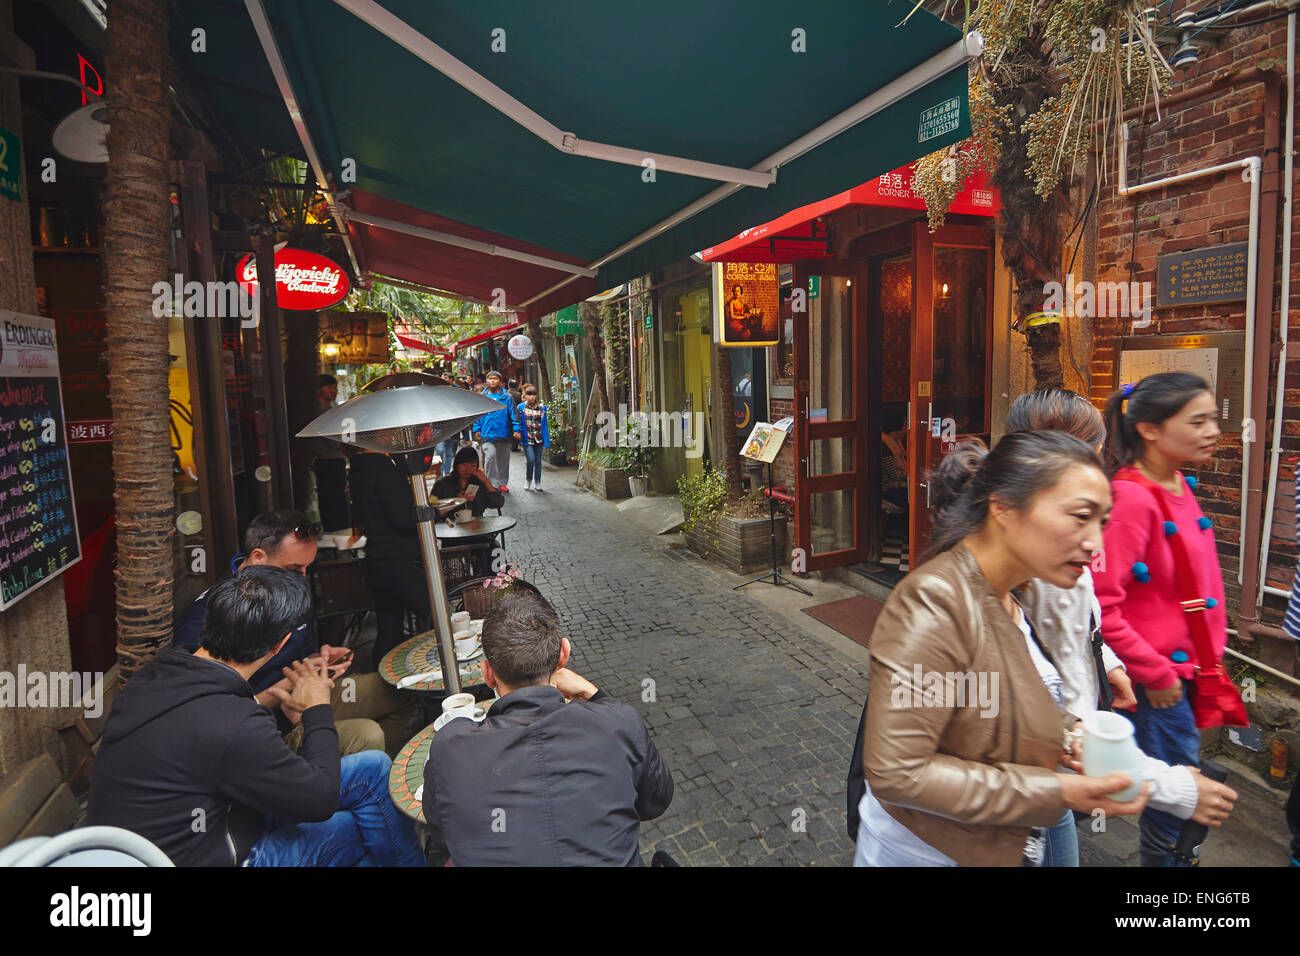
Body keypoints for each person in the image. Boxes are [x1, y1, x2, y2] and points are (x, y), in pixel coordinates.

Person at [856, 431, 1151, 866]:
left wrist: (1068, 733)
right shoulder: (934, 603)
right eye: (1079, 516)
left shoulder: (1010, 592)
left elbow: (997, 697)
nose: (1095, 543)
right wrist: (1058, 790)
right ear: (1004, 508)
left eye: (1101, 522)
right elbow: (899, 771)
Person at [1007, 389, 1237, 866]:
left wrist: (1107, 661)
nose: (1211, 432)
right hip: (1040, 756)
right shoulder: (1022, 550)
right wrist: (1167, 783)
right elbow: (1029, 684)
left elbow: (1085, 614)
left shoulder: (1079, 517)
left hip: (1068, 735)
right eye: (1196, 422)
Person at [91, 566, 425, 867]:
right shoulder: (234, 725)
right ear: (280, 645)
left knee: (374, 769)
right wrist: (317, 708)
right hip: (212, 855)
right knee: (365, 828)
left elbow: (203, 730)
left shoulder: (162, 671)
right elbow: (319, 799)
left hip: (197, 827)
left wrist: (268, 698)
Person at [1094, 372, 1234, 866]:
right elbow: (1101, 605)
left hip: (1191, 670)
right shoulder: (1131, 498)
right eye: (1197, 420)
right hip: (1160, 678)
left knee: (1183, 782)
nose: (1212, 429)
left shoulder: (1175, 481)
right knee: (1177, 793)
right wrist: (1153, 672)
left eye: (1213, 418)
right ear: (1150, 429)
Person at [422, 589, 673, 865]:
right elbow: (656, 800)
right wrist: (599, 697)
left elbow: (445, 834)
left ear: (488, 674)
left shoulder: (450, 749)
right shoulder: (619, 723)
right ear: (563, 655)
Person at [173, 510, 411, 755]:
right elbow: (210, 718)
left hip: (306, 690)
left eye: (308, 568)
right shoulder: (208, 617)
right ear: (258, 558)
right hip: (265, 724)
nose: (303, 578)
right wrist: (284, 689)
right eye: (294, 568)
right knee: (367, 735)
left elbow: (300, 651)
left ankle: (375, 775)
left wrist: (319, 659)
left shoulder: (286, 590)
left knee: (404, 689)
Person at [311, 374, 351, 532]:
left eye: (335, 387)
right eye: (329, 387)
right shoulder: (319, 412)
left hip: (334, 461)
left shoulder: (329, 410)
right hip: (327, 462)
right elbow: (333, 441)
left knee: (338, 503)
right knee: (333, 503)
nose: (333, 391)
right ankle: (336, 535)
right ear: (318, 390)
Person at [431, 446, 505, 517]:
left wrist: (486, 481)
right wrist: (456, 502)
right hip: (449, 526)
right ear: (456, 465)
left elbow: (498, 503)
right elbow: (431, 513)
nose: (468, 469)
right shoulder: (441, 484)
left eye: (472, 466)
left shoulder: (479, 484)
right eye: (464, 465)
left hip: (476, 527)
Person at [472, 370, 515, 491]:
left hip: (503, 433)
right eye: (490, 378)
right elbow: (478, 415)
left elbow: (513, 415)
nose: (492, 380)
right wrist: (477, 429)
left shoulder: (507, 397)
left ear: (500, 382)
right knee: (490, 457)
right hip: (486, 434)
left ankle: (502, 483)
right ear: (486, 381)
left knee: (503, 460)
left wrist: (517, 430)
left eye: (495, 379)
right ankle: (491, 483)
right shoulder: (482, 397)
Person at [513, 384, 549, 492]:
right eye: (529, 395)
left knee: (538, 461)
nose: (532, 397)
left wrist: (546, 442)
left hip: (539, 438)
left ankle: (537, 481)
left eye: (534, 394)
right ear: (525, 396)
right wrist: (517, 432)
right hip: (527, 439)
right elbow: (517, 422)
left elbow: (545, 426)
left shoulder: (542, 408)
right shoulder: (521, 408)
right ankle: (528, 479)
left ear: (536, 396)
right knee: (531, 460)